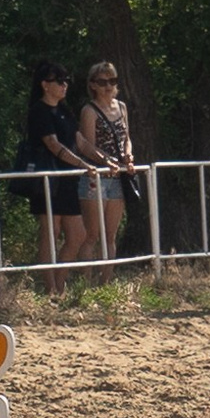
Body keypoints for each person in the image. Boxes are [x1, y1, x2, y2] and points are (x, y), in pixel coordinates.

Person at [21, 63, 97, 295]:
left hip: (66, 181)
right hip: (47, 180)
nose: (64, 85)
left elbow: (81, 142)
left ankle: (59, 282)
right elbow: (53, 145)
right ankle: (50, 287)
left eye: (66, 80)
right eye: (59, 81)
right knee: (50, 232)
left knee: (78, 235)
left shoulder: (65, 111)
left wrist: (106, 162)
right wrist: (84, 165)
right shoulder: (39, 111)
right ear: (45, 85)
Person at [75, 62, 136, 271]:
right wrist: (106, 161)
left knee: (110, 234)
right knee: (92, 234)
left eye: (112, 81)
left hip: (118, 176)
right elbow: (87, 146)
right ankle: (85, 283)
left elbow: (126, 138)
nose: (108, 86)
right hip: (96, 175)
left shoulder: (121, 107)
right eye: (102, 82)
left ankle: (106, 283)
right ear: (93, 85)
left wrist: (128, 155)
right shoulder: (89, 111)